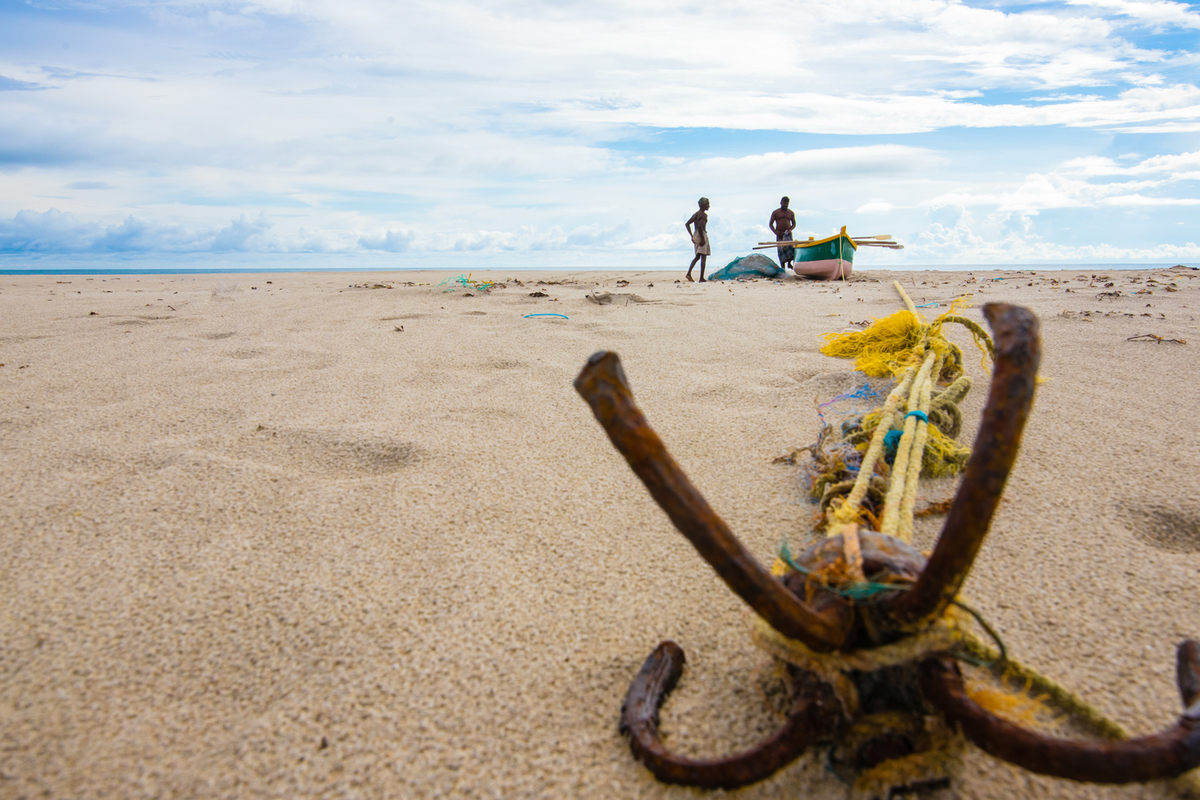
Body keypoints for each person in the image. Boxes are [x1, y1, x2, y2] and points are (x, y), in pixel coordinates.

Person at [684, 197, 710, 282]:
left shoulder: (696, 214)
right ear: (703, 205)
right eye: (707, 204)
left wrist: (692, 235)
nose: (709, 206)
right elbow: (700, 226)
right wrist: (702, 238)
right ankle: (701, 278)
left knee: (698, 256)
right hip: (701, 234)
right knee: (703, 257)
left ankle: (689, 273)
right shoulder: (703, 215)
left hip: (696, 234)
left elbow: (687, 224)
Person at [769, 196, 797, 272]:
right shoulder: (776, 212)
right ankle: (783, 267)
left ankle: (789, 263)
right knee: (781, 251)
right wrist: (776, 232)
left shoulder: (791, 213)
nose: (785, 205)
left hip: (788, 234)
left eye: (786, 204)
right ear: (781, 203)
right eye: (784, 203)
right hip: (779, 234)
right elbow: (771, 224)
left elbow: (794, 224)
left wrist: (790, 230)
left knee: (790, 249)